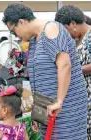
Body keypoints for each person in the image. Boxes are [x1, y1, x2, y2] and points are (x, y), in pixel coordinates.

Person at [3, 3, 88, 139]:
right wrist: (38, 113)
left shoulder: (51, 29)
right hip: (50, 110)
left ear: (21, 22)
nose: (15, 36)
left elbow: (65, 65)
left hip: (66, 109)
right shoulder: (34, 40)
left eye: (13, 31)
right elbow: (40, 80)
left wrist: (59, 101)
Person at [55, 5, 91, 139]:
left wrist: (74, 70)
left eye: (65, 29)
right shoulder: (77, 40)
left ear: (73, 23)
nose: (65, 34)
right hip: (83, 100)